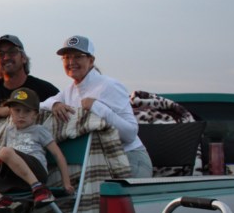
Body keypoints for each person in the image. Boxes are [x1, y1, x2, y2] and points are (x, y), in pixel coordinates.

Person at [41, 35, 152, 177]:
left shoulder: (110, 86)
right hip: (100, 163)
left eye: (77, 57)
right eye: (67, 57)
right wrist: (55, 104)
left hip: (130, 158)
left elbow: (130, 134)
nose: (71, 62)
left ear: (91, 60)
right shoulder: (69, 90)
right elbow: (41, 105)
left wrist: (97, 107)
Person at [0, 88, 73, 213]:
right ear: (10, 113)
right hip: (16, 178)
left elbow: (58, 155)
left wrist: (66, 182)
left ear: (35, 114)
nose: (21, 115)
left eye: (27, 111)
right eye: (17, 110)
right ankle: (2, 201)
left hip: (36, 172)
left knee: (4, 151)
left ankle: (39, 189)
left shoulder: (39, 130)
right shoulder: (9, 130)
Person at [0, 34, 60, 121]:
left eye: (12, 52)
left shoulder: (45, 90)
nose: (6, 57)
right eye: (0, 54)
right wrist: (1, 111)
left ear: (23, 58)